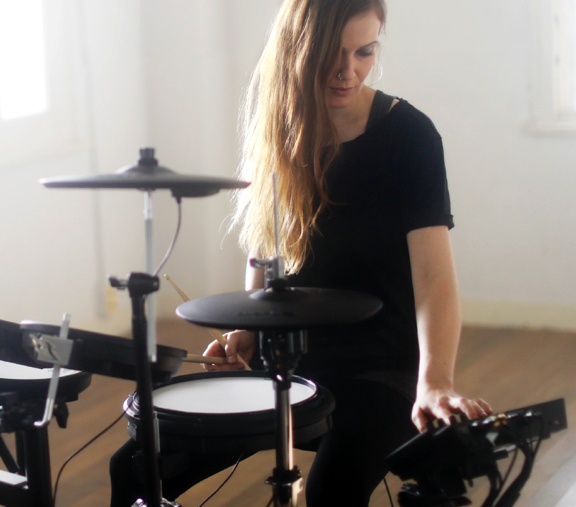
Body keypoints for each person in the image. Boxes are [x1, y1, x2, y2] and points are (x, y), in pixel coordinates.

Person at [110, 0, 491, 505]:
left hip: (380, 367)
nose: (347, 70)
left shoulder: (409, 136)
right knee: (135, 467)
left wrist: (435, 381)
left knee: (331, 489)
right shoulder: (280, 127)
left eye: (364, 52)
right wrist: (248, 332)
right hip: (289, 361)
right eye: (331, 53)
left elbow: (434, 276)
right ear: (297, 48)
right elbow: (265, 245)